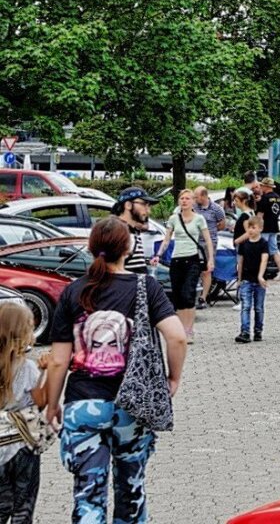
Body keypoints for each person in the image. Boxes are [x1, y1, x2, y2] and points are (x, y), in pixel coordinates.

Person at [46, 216, 186, 523]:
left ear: (92, 247)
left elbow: (58, 360)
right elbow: (176, 336)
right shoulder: (145, 287)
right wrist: (172, 378)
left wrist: (52, 404)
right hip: (131, 406)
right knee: (131, 489)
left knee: (88, 493)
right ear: (129, 247)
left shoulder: (73, 292)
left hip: (82, 403)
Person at [155, 189, 214, 344]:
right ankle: (181, 329)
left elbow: (207, 240)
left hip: (192, 260)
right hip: (177, 260)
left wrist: (210, 259)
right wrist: (158, 255)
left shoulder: (199, 219)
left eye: (188, 198)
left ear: (193, 201)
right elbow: (166, 240)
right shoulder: (174, 218)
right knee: (179, 297)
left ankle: (189, 329)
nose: (184, 201)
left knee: (189, 294)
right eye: (182, 198)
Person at [0, 304, 41, 523]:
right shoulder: (29, 369)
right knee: (23, 505)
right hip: (22, 443)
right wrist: (47, 372)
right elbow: (39, 403)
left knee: (1, 505)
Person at [234, 216, 269, 343]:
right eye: (249, 227)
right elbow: (241, 262)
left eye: (253, 227)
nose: (251, 230)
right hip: (246, 280)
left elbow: (264, 260)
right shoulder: (244, 244)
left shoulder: (264, 244)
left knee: (259, 307)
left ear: (260, 229)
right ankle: (245, 331)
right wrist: (239, 278)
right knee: (246, 306)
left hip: (259, 281)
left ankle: (258, 330)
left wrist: (261, 276)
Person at [110, 186, 159, 275]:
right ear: (128, 205)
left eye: (149, 206)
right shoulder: (120, 233)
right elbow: (111, 269)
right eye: (144, 204)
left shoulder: (132, 231)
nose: (148, 211)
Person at [193, 186, 226, 310]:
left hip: (209, 243)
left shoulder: (217, 209)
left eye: (197, 197)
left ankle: (203, 297)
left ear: (204, 196)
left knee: (207, 270)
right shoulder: (194, 207)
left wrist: (210, 231)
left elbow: (222, 224)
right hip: (195, 242)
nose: (195, 199)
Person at [256, 177, 280, 280]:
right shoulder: (277, 197)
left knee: (261, 250)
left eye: (262, 185)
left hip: (264, 228)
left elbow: (260, 215)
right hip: (274, 226)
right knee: (274, 250)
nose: (260, 187)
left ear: (266, 186)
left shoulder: (265, 198)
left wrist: (257, 228)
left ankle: (260, 272)